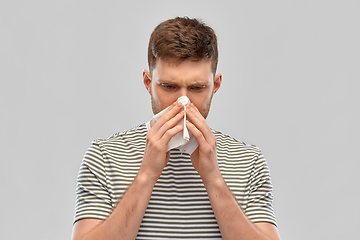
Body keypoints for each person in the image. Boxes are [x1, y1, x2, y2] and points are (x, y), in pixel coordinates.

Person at [71, 17, 281, 240]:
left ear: (215, 86)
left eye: (197, 88)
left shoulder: (249, 161)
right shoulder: (104, 156)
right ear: (147, 82)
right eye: (169, 86)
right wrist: (146, 175)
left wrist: (213, 178)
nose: (183, 102)